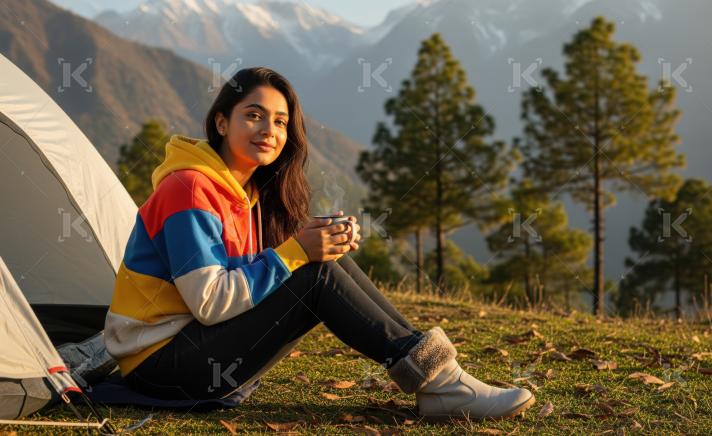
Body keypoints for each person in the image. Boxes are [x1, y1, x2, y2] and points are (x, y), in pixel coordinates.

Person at [103, 67, 534, 420]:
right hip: (161, 367)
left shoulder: (246, 194)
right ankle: (440, 383)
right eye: (253, 115)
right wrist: (297, 252)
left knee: (322, 260)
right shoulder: (190, 188)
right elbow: (211, 302)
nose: (268, 130)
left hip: (196, 352)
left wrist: (316, 242)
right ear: (221, 122)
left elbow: (248, 278)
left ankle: (440, 377)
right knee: (314, 270)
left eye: (280, 121)